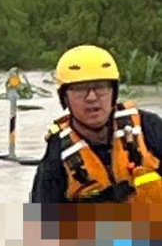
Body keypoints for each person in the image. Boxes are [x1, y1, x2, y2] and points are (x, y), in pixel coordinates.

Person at [30, 44, 162, 203]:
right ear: (64, 98)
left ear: (114, 93)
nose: (91, 97)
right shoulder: (57, 153)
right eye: (80, 89)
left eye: (100, 87)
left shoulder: (149, 127)